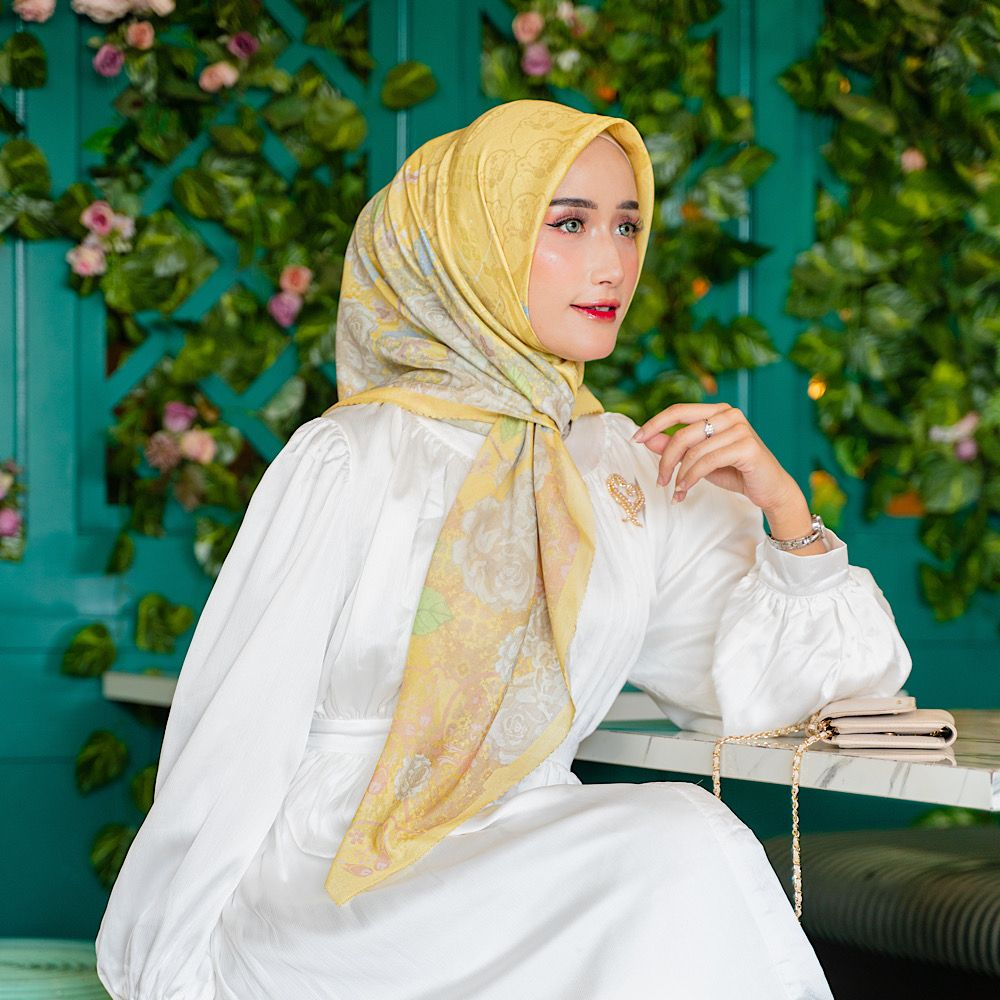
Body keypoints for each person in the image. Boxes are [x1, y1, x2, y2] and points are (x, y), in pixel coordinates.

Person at [96, 99, 911, 999]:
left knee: (682, 840)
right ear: (471, 242)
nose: (612, 264)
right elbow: (236, 732)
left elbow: (800, 698)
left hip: (525, 859)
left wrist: (787, 513)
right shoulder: (355, 455)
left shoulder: (621, 469)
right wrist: (166, 968)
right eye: (568, 223)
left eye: (627, 225)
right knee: (678, 843)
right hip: (331, 878)